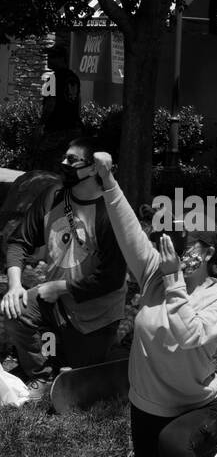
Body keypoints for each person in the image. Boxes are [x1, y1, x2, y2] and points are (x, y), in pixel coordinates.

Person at [90, 151, 217, 457]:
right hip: (148, 408)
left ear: (212, 254)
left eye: (196, 242)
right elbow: (127, 229)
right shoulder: (155, 272)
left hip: (200, 408)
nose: (185, 247)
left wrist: (176, 284)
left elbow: (190, 334)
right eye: (182, 236)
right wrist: (106, 178)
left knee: (176, 447)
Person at [2, 136, 126, 399]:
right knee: (16, 311)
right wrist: (15, 285)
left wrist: (61, 287)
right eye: (64, 157)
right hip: (54, 302)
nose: (63, 163)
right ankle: (41, 375)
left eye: (72, 159)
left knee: (84, 374)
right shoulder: (52, 196)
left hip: (96, 314)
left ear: (93, 168)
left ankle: (95, 357)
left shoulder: (111, 211)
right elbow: (18, 243)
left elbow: (112, 279)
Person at [38, 46, 82, 167]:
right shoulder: (74, 77)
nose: (48, 60)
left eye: (52, 57)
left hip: (56, 129)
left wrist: (41, 125)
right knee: (67, 164)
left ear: (62, 58)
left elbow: (49, 105)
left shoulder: (52, 79)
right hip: (73, 129)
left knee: (46, 162)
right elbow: (78, 102)